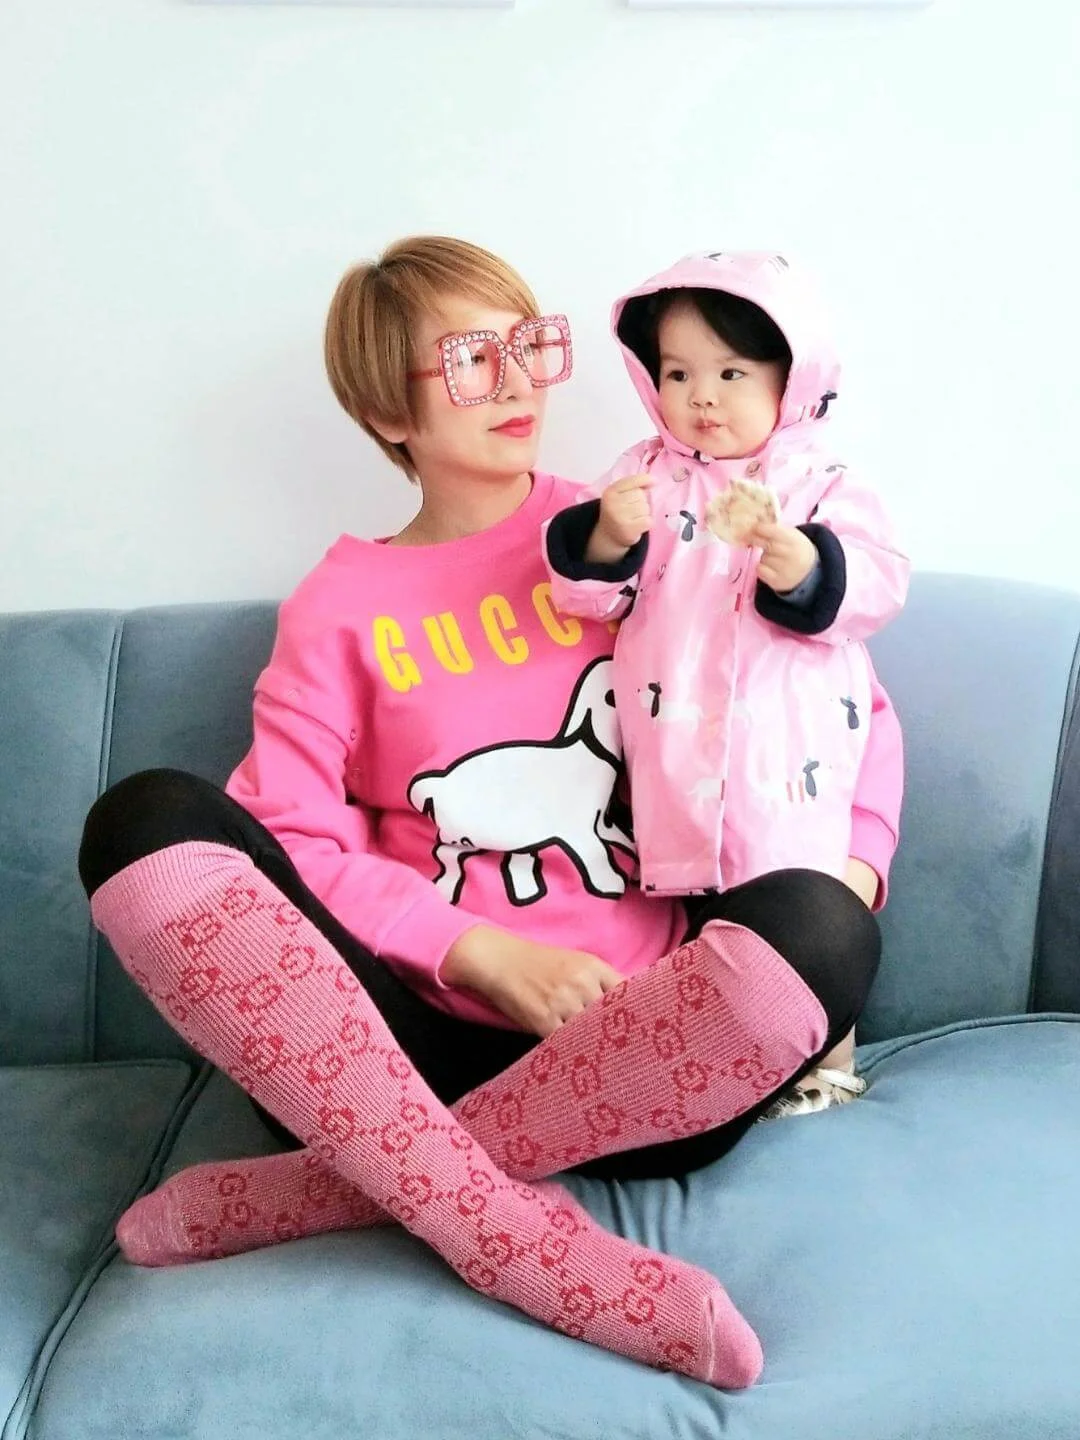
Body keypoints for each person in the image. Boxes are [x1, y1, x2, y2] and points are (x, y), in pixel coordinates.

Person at [78, 237, 886, 1391]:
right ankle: (527, 1249)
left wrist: (859, 862)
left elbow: (838, 694)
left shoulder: (648, 524)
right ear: (384, 411)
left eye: (527, 347)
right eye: (468, 360)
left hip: (648, 1060)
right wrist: (481, 952)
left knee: (827, 926)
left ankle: (331, 1190)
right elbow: (292, 840)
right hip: (395, 1057)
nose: (516, 383)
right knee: (144, 819)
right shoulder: (341, 607)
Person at [543, 251, 909, 1112]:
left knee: (800, 905)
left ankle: (830, 1061)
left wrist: (797, 561)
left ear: (791, 377)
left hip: (787, 760)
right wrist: (605, 538)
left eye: (731, 373)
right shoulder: (643, 476)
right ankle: (728, 1074)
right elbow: (588, 598)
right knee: (707, 932)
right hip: (673, 756)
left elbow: (879, 584)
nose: (701, 396)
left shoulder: (820, 482)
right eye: (678, 373)